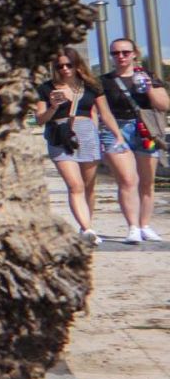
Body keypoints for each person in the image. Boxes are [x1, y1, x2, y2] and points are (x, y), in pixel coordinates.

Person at [34, 48, 123, 244]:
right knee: (75, 186)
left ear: (77, 65)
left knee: (89, 186)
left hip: (87, 135)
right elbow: (40, 120)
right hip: (60, 136)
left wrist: (118, 135)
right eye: (60, 66)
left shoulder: (91, 86)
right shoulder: (46, 88)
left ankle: (87, 226)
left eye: (69, 65)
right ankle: (87, 228)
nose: (65, 69)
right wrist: (53, 107)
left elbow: (105, 113)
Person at [99, 38, 169, 243]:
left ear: (134, 54)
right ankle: (132, 227)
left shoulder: (149, 77)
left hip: (146, 130)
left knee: (147, 182)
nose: (120, 56)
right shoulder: (104, 81)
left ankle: (145, 224)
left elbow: (164, 105)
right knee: (128, 180)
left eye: (125, 52)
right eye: (116, 53)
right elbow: (101, 111)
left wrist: (147, 87)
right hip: (116, 130)